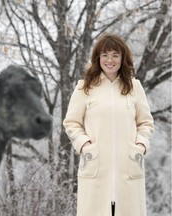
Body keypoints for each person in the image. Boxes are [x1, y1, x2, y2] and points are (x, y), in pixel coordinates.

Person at [63, 33, 154, 216]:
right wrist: (85, 146)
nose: (109, 60)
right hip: (95, 169)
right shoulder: (85, 87)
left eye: (115, 55)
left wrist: (140, 145)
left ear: (122, 59)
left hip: (128, 170)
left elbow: (145, 123)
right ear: (98, 58)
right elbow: (71, 122)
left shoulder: (134, 87)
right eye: (105, 55)